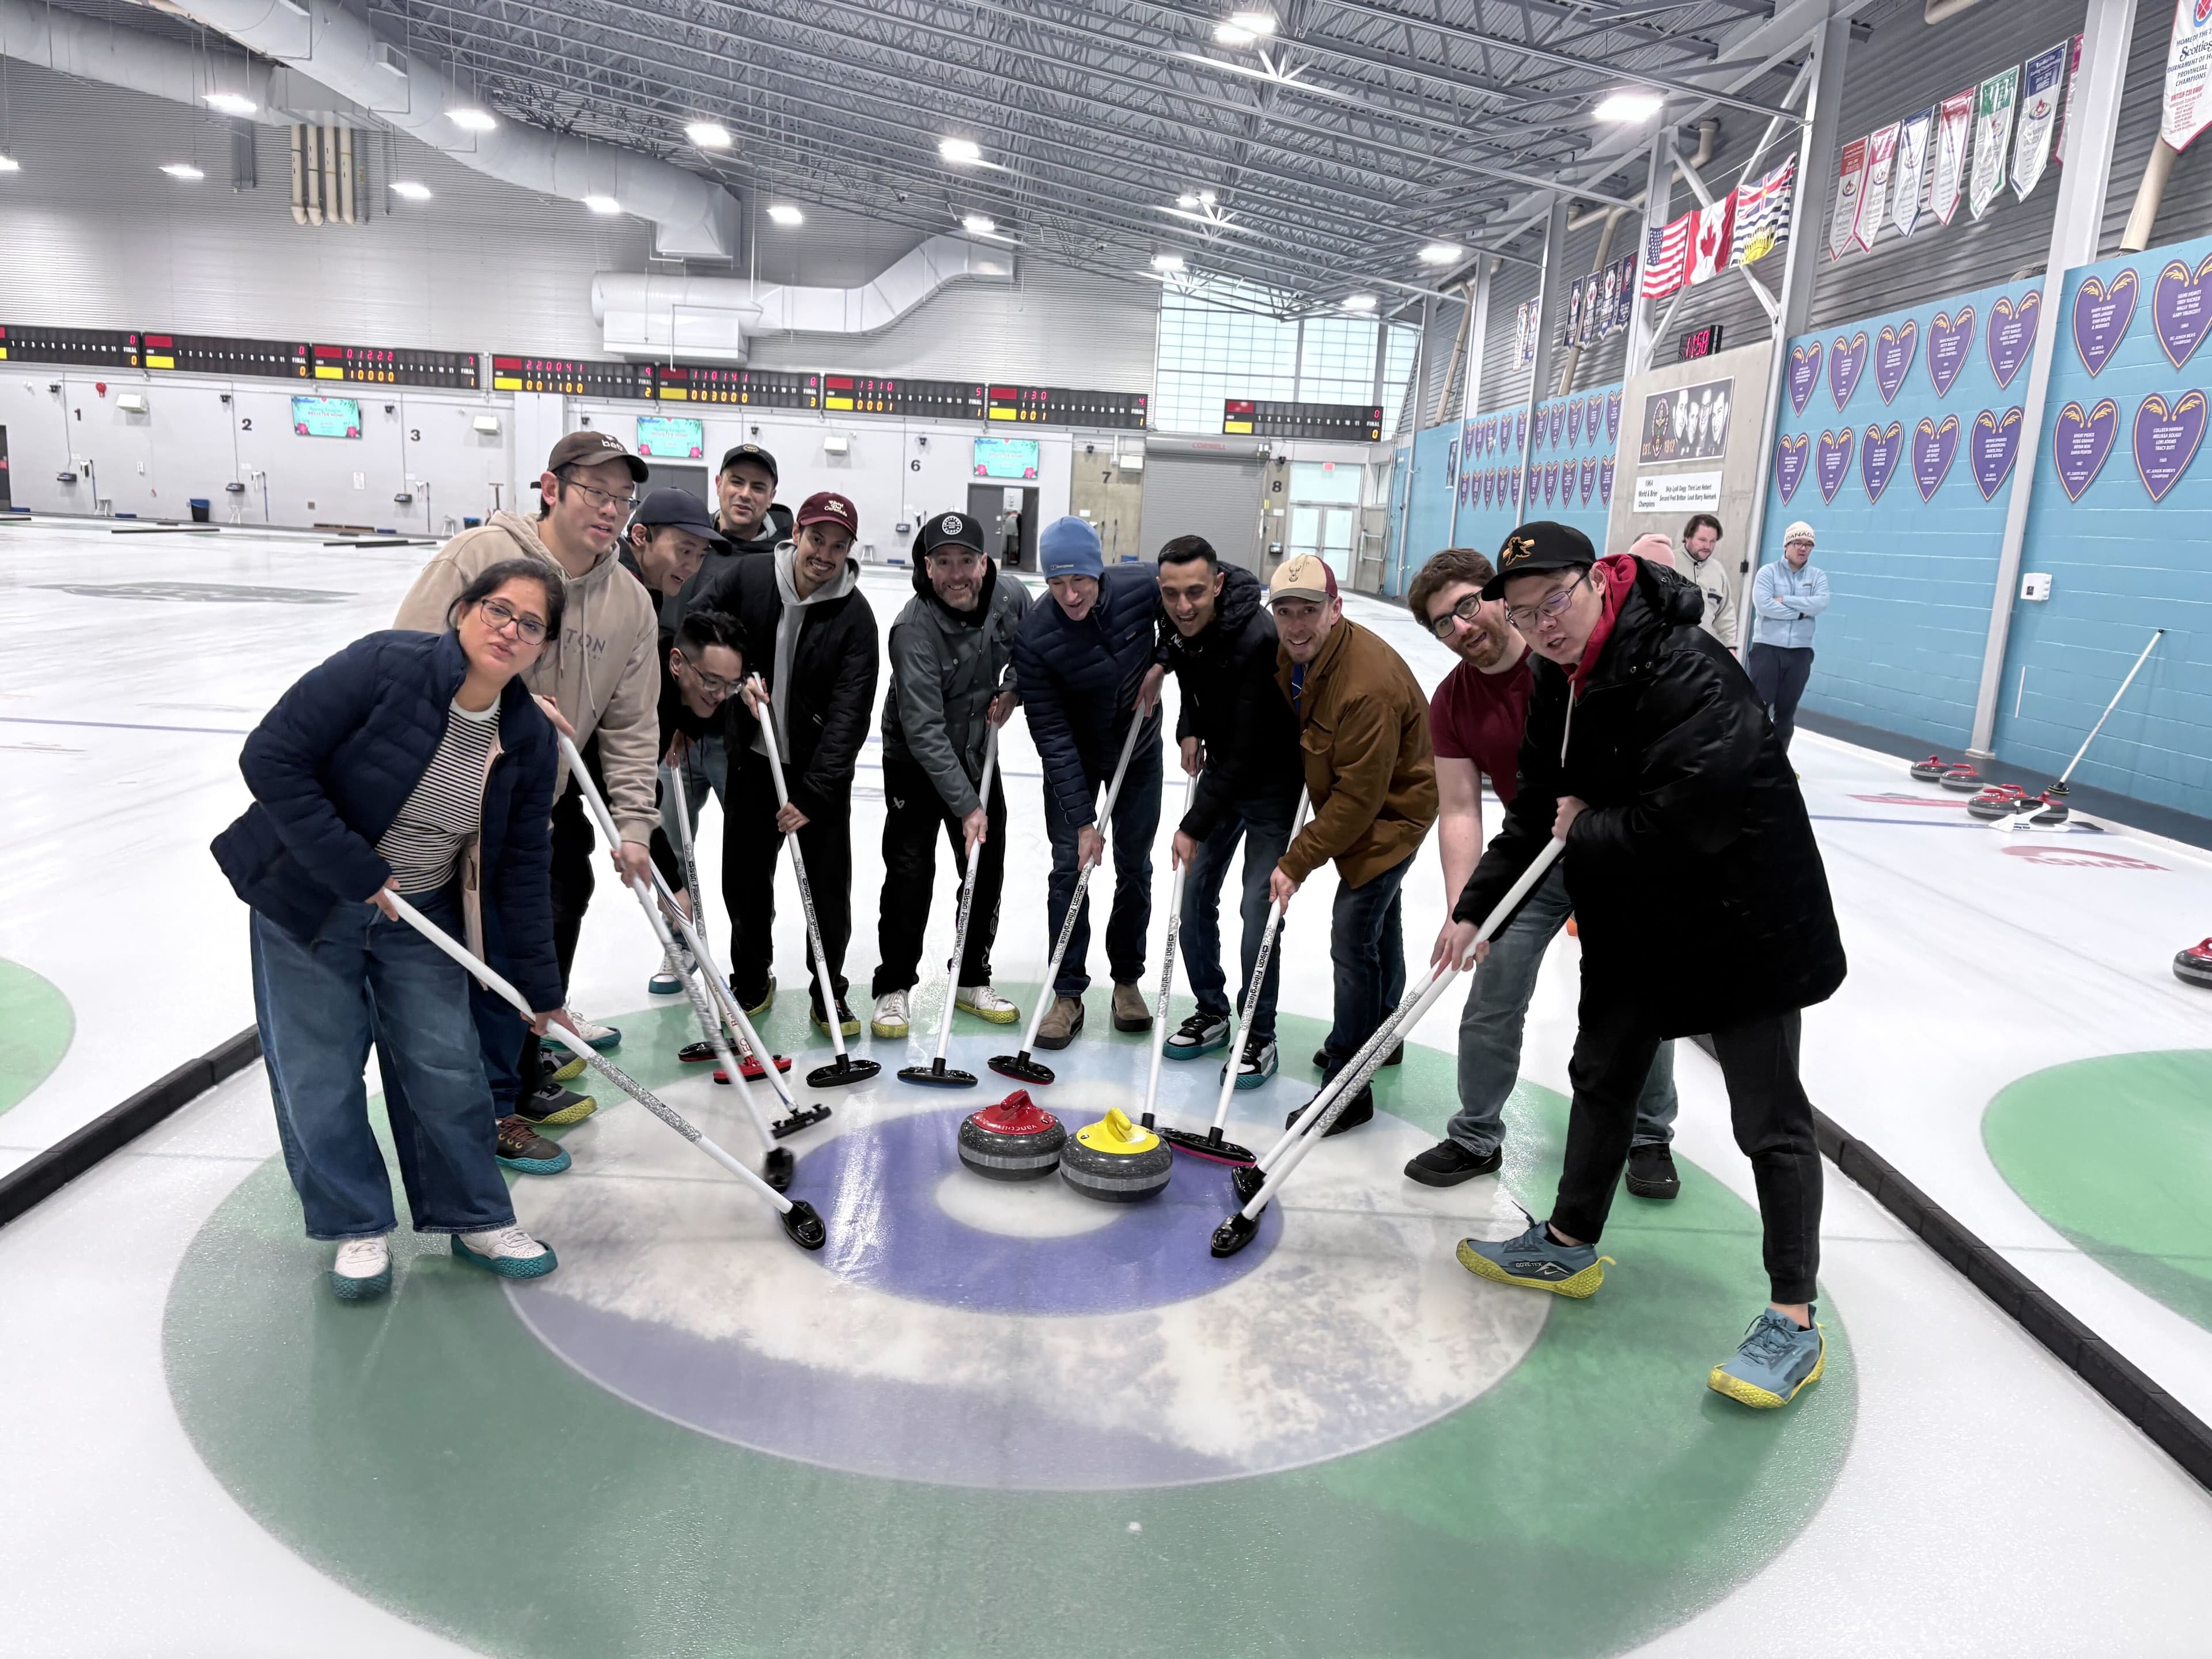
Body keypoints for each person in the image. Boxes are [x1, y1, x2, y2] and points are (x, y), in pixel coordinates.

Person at [1448, 522, 1846, 1410]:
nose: (1542, 624)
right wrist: (1476, 903)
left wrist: (1584, 825)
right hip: (1641, 911)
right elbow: (1537, 808)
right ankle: (1567, 1238)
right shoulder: (1560, 675)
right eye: (1522, 612)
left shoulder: (1688, 667)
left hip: (1744, 916)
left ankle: (1793, 1318)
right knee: (1604, 1072)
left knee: (1768, 1119)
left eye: (1554, 601)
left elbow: (1686, 822)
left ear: (1597, 581)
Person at [212, 560, 568, 1298]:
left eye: (530, 625)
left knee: (449, 1067)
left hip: (420, 915)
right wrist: (354, 869)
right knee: (321, 1069)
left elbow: (523, 867)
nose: (510, 631)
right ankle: (355, 1226)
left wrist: (539, 989)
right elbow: (271, 758)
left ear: (544, 647)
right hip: (309, 900)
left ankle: (475, 1215)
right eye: (499, 611)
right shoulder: (384, 664)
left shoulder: (528, 737)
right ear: (464, 611)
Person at [393, 430, 661, 1126]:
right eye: (595, 492)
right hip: (440, 809)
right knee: (442, 976)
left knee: (528, 946)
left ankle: (512, 1086)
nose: (610, 510)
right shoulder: (481, 558)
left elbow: (633, 727)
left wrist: (635, 826)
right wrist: (504, 693)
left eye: (622, 498)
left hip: (531, 815)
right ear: (550, 489)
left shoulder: (630, 602)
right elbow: (407, 665)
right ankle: (469, 1117)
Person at [1398, 547, 1680, 1196]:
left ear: (1500, 599)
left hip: (1616, 851)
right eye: (1444, 623)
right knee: (1492, 988)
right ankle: (1476, 1134)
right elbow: (1462, 809)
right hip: (1534, 856)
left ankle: (1648, 1133)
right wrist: (1463, 910)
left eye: (1469, 606)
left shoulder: (1566, 662)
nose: (1462, 627)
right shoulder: (1453, 702)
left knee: (1634, 998)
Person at [690, 491, 878, 1036]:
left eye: (838, 546)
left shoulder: (855, 617)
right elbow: (700, 627)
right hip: (752, 763)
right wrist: (736, 678)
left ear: (848, 550)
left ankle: (828, 991)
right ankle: (752, 980)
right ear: (797, 531)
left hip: (818, 779)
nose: (825, 553)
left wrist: (813, 795)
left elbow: (850, 715)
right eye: (817, 539)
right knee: (744, 886)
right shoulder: (749, 579)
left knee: (826, 892)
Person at [1268, 553, 1437, 1137]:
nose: (1295, 625)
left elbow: (1359, 804)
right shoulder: (1300, 654)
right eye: (1285, 612)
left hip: (1394, 816)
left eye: (1309, 612)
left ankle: (1348, 1086)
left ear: (1335, 610)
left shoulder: (1366, 687)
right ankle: (1380, 1038)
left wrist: (1296, 862)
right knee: (1377, 922)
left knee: (1353, 932)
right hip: (1362, 804)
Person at [870, 511, 1030, 1038]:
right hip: (916, 762)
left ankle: (969, 978)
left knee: (985, 868)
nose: (957, 574)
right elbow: (923, 731)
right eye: (944, 563)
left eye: (967, 561)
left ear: (986, 563)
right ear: (927, 566)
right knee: (911, 872)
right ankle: (894, 985)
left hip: (977, 751)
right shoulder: (912, 628)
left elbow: (1034, 649)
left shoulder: (1010, 598)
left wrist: (1014, 690)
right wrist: (968, 807)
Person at [1154, 535, 1303, 1088]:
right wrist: (1188, 727)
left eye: (1195, 592)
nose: (1183, 606)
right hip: (1223, 773)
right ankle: (1214, 1012)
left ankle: (1258, 1036)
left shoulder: (1257, 637)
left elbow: (1244, 748)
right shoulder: (1176, 618)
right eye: (1171, 594)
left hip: (1270, 782)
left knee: (1257, 909)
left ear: (1218, 584)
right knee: (1193, 895)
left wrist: (1192, 824)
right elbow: (1192, 683)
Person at [1012, 515, 1164, 1048]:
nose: (1070, 594)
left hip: (1137, 751)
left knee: (1134, 867)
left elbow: (1221, 588)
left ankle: (1127, 982)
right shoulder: (1035, 634)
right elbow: (1049, 731)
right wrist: (1081, 820)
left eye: (1079, 580)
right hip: (1074, 757)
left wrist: (1162, 661)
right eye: (1056, 583)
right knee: (1068, 869)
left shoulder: (1140, 585)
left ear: (1099, 571)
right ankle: (1068, 993)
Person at [617, 488, 725, 994]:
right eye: (684, 550)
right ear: (641, 536)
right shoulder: (615, 590)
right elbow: (613, 745)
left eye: (700, 555)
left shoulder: (645, 593)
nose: (692, 565)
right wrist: (666, 872)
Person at [1748, 520, 1829, 751]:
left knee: (1787, 711)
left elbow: (1821, 602)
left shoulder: (1817, 576)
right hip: (1768, 649)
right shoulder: (1767, 573)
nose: (1803, 548)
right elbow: (1764, 606)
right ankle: (1751, 758)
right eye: (1798, 543)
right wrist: (1802, 613)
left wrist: (1786, 601)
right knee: (1759, 707)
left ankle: (1779, 764)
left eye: (1808, 544)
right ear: (1786, 545)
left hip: (1800, 653)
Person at [1678, 512, 1737, 649]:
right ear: (1688, 537)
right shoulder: (1669, 562)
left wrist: (1730, 647)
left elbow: (1725, 614)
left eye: (1712, 542)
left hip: (1703, 649)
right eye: (1702, 540)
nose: (1708, 546)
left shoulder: (1718, 570)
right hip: (1670, 649)